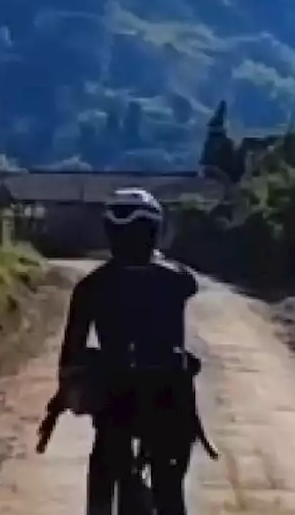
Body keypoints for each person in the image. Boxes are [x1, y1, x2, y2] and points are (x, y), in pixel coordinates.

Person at [46, 187, 203, 515]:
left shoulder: (91, 286)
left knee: (103, 471)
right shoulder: (176, 280)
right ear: (154, 233)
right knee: (169, 486)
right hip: (167, 396)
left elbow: (71, 353)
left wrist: (70, 389)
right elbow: (189, 282)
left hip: (116, 396)